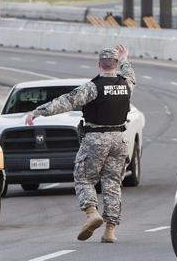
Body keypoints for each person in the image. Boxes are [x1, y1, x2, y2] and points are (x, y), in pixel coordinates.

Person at [25, 45, 135, 243]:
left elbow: (67, 101)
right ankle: (110, 231)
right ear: (116, 64)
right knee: (112, 184)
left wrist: (37, 112)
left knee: (83, 177)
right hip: (120, 139)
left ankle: (92, 213)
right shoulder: (127, 84)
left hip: (96, 138)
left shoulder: (92, 87)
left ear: (99, 64)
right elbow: (130, 74)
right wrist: (125, 59)